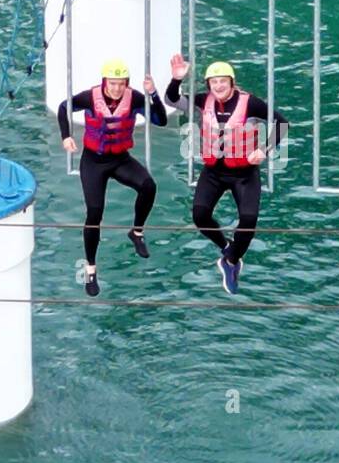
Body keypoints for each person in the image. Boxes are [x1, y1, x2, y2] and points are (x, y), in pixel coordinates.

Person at [166, 54, 288, 294]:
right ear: (209, 85)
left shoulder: (251, 103)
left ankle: (231, 261)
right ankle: (226, 248)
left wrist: (264, 149)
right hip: (213, 172)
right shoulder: (203, 101)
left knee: (249, 221)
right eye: (214, 82)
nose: (218, 86)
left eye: (223, 81)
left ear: (232, 83)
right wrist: (176, 79)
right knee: (200, 216)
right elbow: (172, 100)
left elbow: (282, 123)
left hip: (244, 173)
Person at [59, 59, 167, 296]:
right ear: (104, 82)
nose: (117, 89)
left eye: (121, 84)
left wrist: (153, 94)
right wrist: (66, 136)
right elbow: (63, 107)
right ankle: (91, 269)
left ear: (126, 83)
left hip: (120, 159)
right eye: (113, 84)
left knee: (148, 185)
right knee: (95, 213)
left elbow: (161, 120)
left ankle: (136, 232)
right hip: (93, 162)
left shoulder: (135, 98)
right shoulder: (89, 97)